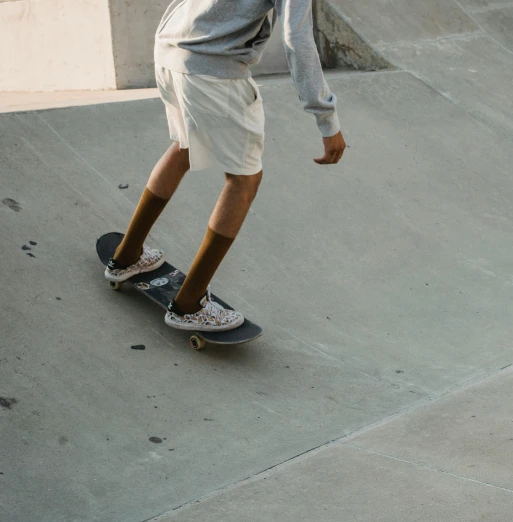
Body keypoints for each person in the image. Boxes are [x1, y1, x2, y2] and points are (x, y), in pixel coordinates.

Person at [104, 0, 346, 332]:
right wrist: (326, 119)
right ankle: (189, 304)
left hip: (171, 49)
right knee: (244, 180)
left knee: (185, 148)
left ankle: (127, 255)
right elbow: (297, 37)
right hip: (212, 70)